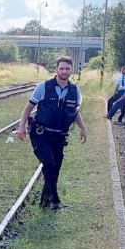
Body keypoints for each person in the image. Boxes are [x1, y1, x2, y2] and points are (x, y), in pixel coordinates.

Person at [18, 56, 87, 210]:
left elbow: (75, 112)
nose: (64, 71)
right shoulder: (44, 87)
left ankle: (45, 203)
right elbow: (29, 108)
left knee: (54, 169)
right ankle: (55, 199)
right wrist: (21, 126)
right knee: (49, 162)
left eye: (67, 68)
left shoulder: (74, 90)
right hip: (41, 134)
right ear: (56, 69)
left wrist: (83, 128)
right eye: (61, 68)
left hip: (59, 136)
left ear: (71, 69)